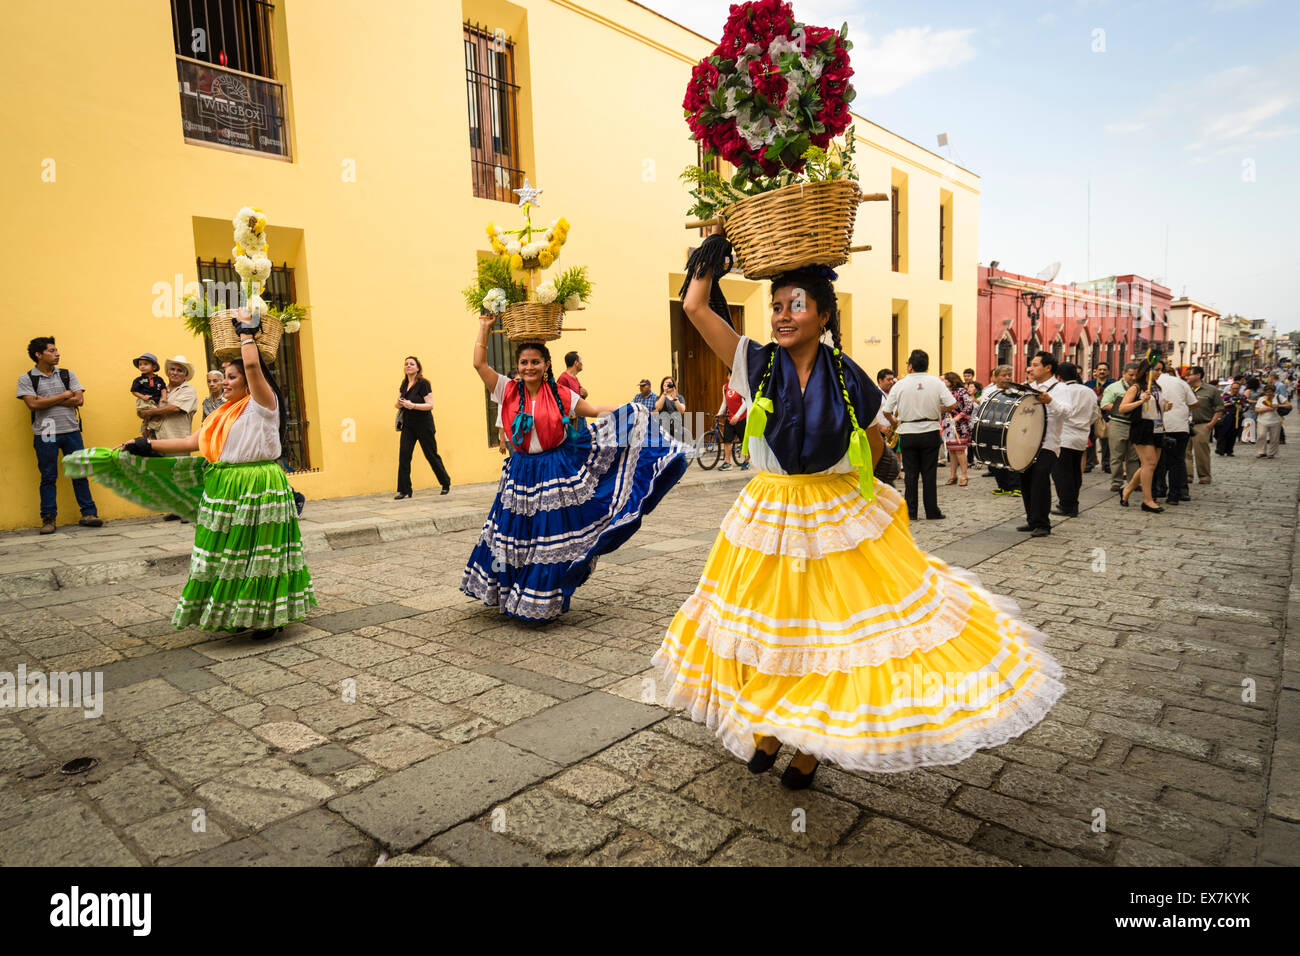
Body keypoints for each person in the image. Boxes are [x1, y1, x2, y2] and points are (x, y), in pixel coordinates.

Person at [658, 231, 1065, 789]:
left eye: (795, 304)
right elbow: (696, 307)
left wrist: (858, 477)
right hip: (769, 513)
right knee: (771, 628)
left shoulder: (848, 374)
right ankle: (769, 727)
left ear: (824, 314)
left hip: (834, 516)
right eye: (775, 305)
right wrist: (710, 258)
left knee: (830, 634)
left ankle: (808, 744)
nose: (781, 314)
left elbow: (872, 446)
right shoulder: (753, 360)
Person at [64, 310, 316, 639]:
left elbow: (254, 367)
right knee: (228, 553)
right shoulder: (220, 414)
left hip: (259, 484)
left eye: (231, 377)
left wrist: (246, 333)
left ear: (251, 381)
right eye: (224, 376)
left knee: (259, 554)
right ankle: (238, 610)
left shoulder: (262, 404)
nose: (225, 382)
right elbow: (190, 442)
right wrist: (146, 445)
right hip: (225, 486)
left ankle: (268, 615)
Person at [463, 316, 688, 620]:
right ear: (518, 367)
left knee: (546, 538)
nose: (529, 367)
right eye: (524, 363)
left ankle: (541, 601)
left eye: (535, 362)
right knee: (515, 535)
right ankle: (511, 594)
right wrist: (485, 327)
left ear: (546, 365)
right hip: (519, 473)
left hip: (552, 471)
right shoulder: (506, 390)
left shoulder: (560, 395)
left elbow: (594, 411)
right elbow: (479, 365)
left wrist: (633, 410)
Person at [16, 336, 102, 534]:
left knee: (79, 472)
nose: (57, 354)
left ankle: (89, 513)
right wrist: (64, 395)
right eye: (52, 350)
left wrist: (48, 399)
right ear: (39, 355)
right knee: (48, 476)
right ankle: (48, 519)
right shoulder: (27, 378)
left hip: (71, 430)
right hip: (45, 433)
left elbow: (79, 400)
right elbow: (33, 404)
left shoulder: (67, 374)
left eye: (57, 350)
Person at [884, 349, 956, 520]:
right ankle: (932, 511)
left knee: (911, 474)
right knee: (930, 474)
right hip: (930, 430)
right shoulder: (936, 382)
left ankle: (911, 512)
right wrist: (936, 409)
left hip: (908, 432)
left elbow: (887, 410)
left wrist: (895, 421)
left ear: (910, 366)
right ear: (927, 365)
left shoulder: (899, 385)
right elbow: (952, 405)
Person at [1017, 352, 1069, 537]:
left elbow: (1067, 412)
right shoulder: (1029, 387)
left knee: (1040, 479)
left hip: (1048, 443)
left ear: (1048, 368)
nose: (1031, 368)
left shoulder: (1060, 388)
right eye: (1031, 364)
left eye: (1036, 364)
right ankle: (1032, 520)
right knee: (1026, 479)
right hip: (1027, 442)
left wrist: (1050, 401)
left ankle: (1043, 524)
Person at [395, 355, 452, 499]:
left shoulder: (424, 383)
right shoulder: (404, 383)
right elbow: (397, 405)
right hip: (408, 425)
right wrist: (399, 403)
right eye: (406, 364)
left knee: (431, 455)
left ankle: (445, 483)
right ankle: (405, 489)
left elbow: (430, 405)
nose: (408, 366)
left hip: (423, 424)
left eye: (412, 364)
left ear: (418, 367)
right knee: (404, 455)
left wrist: (413, 405)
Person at [1118, 356, 1165, 513]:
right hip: (1142, 427)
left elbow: (1156, 407)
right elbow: (1122, 408)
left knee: (1149, 465)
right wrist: (1140, 401)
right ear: (1148, 371)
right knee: (1149, 464)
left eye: (1160, 370)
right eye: (1157, 369)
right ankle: (1148, 500)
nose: (1159, 372)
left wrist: (1166, 406)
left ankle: (1127, 490)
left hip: (1157, 425)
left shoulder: (1157, 387)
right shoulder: (1136, 387)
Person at [1051, 362, 1098, 519]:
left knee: (1061, 473)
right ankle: (1072, 502)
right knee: (1075, 472)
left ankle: (1067, 505)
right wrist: (1084, 425)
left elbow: (1056, 411)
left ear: (1058, 377)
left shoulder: (1063, 390)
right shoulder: (1088, 391)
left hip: (1065, 435)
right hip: (1081, 436)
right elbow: (1094, 414)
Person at [1154, 364, 1198, 505]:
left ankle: (1156, 491)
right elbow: (1195, 403)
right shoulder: (1180, 382)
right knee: (1177, 461)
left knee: (1156, 461)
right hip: (1179, 426)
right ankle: (1174, 495)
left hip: (1158, 425)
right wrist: (1182, 408)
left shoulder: (1151, 382)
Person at [980, 364, 1021, 497]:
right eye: (1004, 375)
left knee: (1010, 458)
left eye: (1009, 375)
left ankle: (1016, 486)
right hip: (992, 428)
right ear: (995, 378)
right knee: (995, 457)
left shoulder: (1016, 391)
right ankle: (1002, 485)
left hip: (1010, 429)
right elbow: (982, 408)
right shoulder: (988, 391)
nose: (1007, 377)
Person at [1101, 362, 1140, 492]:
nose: (1133, 378)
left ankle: (1133, 482)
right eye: (1130, 375)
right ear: (1123, 374)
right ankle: (1116, 482)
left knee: (1134, 456)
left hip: (1135, 424)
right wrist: (1124, 408)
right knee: (1116, 454)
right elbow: (1105, 404)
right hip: (1118, 423)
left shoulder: (1140, 387)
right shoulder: (1114, 387)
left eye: (1136, 375)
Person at [1185, 366, 1223, 484]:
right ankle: (1187, 475)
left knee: (1201, 452)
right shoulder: (1184, 389)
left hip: (1202, 424)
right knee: (1185, 451)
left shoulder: (1211, 390)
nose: (1187, 377)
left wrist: (1211, 424)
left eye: (1189, 374)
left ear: (1198, 375)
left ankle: (1204, 476)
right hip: (1184, 423)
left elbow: (1219, 408)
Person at [941, 371, 974, 486]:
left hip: (960, 425)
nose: (943, 381)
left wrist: (958, 416)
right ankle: (953, 475)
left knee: (959, 450)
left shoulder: (961, 391)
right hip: (948, 424)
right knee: (951, 451)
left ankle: (964, 475)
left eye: (945, 379)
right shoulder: (944, 392)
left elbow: (969, 405)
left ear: (951, 380)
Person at [1083, 362, 1115, 472]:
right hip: (1092, 414)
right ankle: (1089, 463)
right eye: (1100, 369)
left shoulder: (1113, 384)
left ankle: (1106, 464)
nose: (1102, 371)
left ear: (1108, 371)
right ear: (1095, 371)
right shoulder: (1089, 384)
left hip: (1107, 415)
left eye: (1104, 369)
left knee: (1106, 439)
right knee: (1090, 439)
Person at [129, 353, 168, 437]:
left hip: (154, 402)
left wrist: (164, 397)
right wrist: (143, 396)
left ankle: (146, 430)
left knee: (150, 418)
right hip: (144, 401)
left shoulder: (159, 379)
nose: (142, 366)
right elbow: (133, 391)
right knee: (157, 415)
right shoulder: (139, 380)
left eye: (145, 364)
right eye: (140, 364)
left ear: (153, 367)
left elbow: (163, 388)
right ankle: (149, 429)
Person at [717, 377, 749, 471]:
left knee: (744, 441)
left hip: (741, 418)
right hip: (730, 418)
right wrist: (719, 413)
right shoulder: (725, 387)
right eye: (729, 375)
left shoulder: (742, 387)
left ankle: (746, 461)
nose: (731, 377)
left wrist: (737, 416)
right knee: (727, 440)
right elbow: (725, 402)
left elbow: (745, 402)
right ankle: (727, 462)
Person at [1256, 385, 1289, 458]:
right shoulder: (1261, 399)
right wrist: (1266, 409)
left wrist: (1278, 405)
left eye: (1270, 392)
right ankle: (1261, 452)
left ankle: (1271, 453)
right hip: (1262, 420)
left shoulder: (1279, 397)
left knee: (1274, 438)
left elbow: (1289, 405)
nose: (1268, 394)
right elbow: (1257, 410)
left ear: (1274, 392)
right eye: (1267, 392)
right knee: (1261, 435)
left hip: (1275, 421)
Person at [1216, 380, 1245, 456]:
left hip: (1237, 417)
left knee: (1233, 434)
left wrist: (1241, 408)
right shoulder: (1225, 396)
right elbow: (1220, 404)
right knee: (1224, 433)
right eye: (1233, 388)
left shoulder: (1241, 397)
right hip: (1227, 416)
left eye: (1237, 388)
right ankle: (1220, 449)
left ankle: (1229, 450)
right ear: (1231, 388)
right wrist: (1227, 404)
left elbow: (1246, 405)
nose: (1235, 390)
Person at [654, 376, 687, 441]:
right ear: (662, 386)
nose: (668, 385)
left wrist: (675, 398)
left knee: (676, 447)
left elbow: (682, 411)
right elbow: (658, 407)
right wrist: (664, 393)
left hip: (676, 427)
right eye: (666, 383)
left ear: (673, 385)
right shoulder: (659, 398)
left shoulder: (679, 397)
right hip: (663, 427)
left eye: (670, 383)